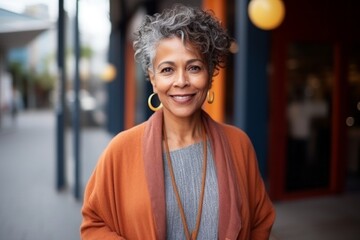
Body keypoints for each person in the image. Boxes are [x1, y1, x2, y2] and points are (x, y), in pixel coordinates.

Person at [81, 4, 275, 240]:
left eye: (194, 67)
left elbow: (260, 221)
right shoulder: (121, 149)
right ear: (153, 79)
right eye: (167, 70)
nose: (181, 81)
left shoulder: (238, 144)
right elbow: (94, 223)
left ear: (210, 74)